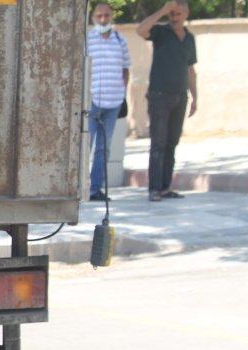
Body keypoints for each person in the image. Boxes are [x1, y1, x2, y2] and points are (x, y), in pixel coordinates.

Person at [136, 1, 198, 203]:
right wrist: (163, 10)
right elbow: (140, 30)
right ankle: (154, 189)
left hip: (180, 96)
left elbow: (190, 70)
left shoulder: (189, 38)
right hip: (159, 96)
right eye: (172, 13)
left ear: (186, 13)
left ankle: (165, 187)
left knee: (172, 143)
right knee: (158, 143)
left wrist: (195, 97)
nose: (174, 17)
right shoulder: (161, 33)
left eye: (178, 13)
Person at [87, 3, 131, 202]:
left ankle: (95, 189)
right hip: (92, 101)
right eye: (99, 16)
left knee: (104, 148)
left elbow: (125, 69)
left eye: (106, 15)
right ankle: (79, 187)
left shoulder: (120, 40)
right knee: (85, 145)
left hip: (113, 102)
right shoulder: (88, 40)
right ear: (93, 18)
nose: (103, 19)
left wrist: (122, 93)